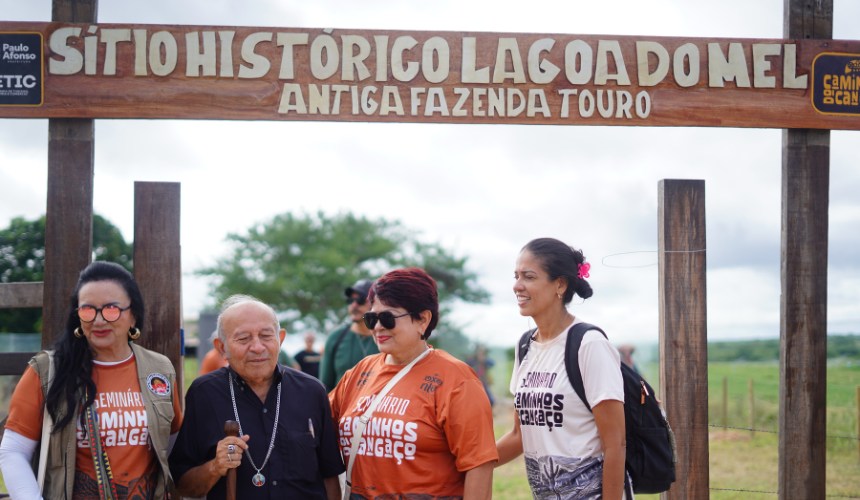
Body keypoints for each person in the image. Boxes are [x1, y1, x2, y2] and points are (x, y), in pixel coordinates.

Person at [0, 261, 182, 500]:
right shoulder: (47, 370)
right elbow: (14, 451)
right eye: (88, 309)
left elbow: (171, 443)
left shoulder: (159, 369)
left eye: (111, 309)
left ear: (133, 316)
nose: (98, 320)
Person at [329, 268, 498, 500]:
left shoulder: (457, 380)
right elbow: (316, 428)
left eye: (388, 317)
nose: (378, 327)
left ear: (423, 319)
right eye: (372, 318)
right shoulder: (359, 372)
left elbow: (478, 466)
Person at [169, 295, 344, 500]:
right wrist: (216, 466)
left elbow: (330, 477)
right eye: (243, 338)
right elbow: (184, 487)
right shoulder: (204, 394)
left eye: (266, 336)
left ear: (281, 339)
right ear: (222, 348)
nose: (257, 347)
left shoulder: (312, 391)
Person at [496, 238, 628, 500]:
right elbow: (518, 435)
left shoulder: (589, 345)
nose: (517, 286)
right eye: (516, 276)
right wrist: (464, 464)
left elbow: (615, 445)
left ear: (560, 284)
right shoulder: (525, 347)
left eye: (529, 277)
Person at [319, 279, 380, 390]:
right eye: (350, 300)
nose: (354, 305)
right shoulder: (335, 337)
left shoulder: (386, 338)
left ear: (375, 302)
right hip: (341, 407)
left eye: (361, 300)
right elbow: (324, 386)